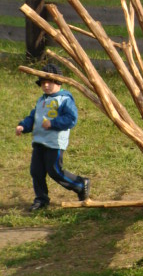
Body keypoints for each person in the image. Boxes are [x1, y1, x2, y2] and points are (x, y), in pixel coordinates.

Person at [15, 63, 90, 211]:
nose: (46, 85)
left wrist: (53, 123)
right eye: (43, 83)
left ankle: (80, 184)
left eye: (49, 82)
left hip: (54, 143)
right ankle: (41, 199)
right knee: (36, 171)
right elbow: (33, 117)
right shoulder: (42, 100)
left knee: (55, 170)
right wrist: (23, 126)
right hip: (39, 142)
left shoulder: (64, 99)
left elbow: (71, 119)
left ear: (58, 82)